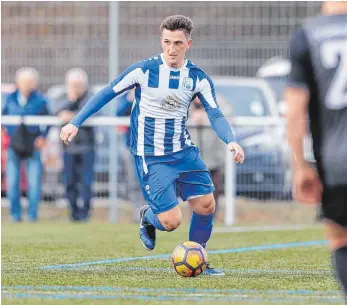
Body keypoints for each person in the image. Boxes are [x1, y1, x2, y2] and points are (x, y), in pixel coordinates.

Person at [60, 15, 245, 275]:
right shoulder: (144, 71)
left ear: (188, 44)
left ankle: (199, 261)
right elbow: (106, 93)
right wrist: (75, 122)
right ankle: (148, 216)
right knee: (171, 222)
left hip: (183, 151)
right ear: (161, 41)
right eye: (167, 42)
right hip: (151, 155)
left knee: (206, 205)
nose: (172, 49)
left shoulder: (196, 78)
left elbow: (215, 114)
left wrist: (232, 141)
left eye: (178, 43)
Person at [285, 2, 347, 298]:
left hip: (338, 165)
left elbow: (295, 111)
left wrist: (300, 165)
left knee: (340, 236)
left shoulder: (307, 36)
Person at [2, 67, 50, 222]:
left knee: (34, 183)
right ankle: (15, 215)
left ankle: (32, 216)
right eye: (24, 81)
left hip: (33, 146)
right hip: (13, 145)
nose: (27, 85)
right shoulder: (9, 99)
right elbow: (3, 118)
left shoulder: (41, 100)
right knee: (12, 181)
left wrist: (43, 137)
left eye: (30, 82)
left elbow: (49, 121)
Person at [55, 68, 95, 221]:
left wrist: (72, 117)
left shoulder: (91, 97)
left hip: (87, 147)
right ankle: (73, 213)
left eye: (78, 85)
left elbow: (91, 112)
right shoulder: (62, 97)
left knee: (86, 182)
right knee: (69, 182)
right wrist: (71, 100)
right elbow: (55, 110)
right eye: (73, 85)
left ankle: (85, 214)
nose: (76, 88)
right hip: (68, 147)